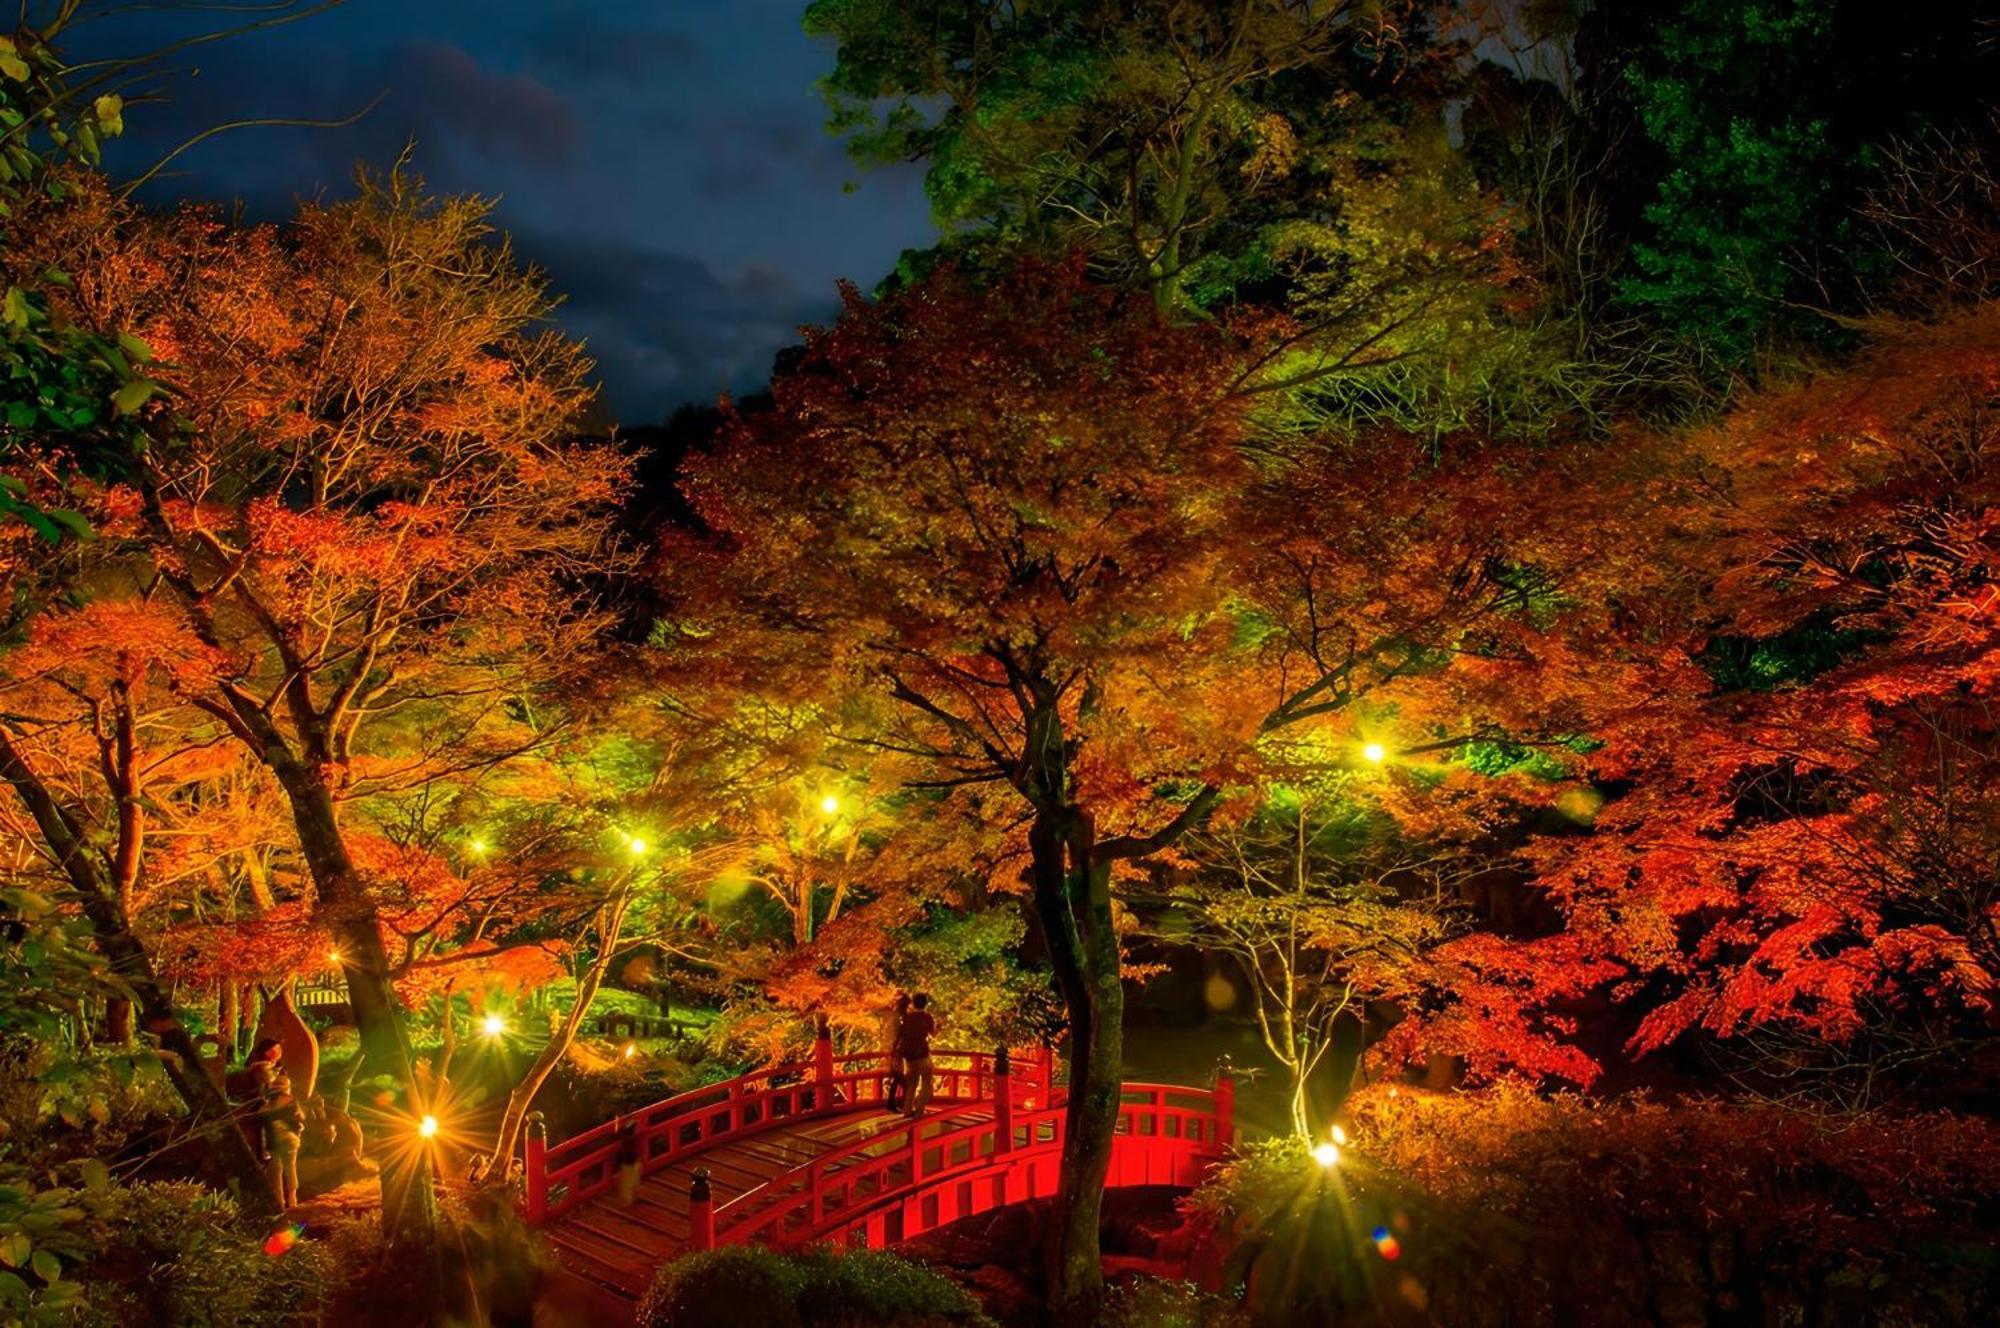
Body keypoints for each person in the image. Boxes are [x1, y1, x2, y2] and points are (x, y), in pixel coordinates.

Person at [247, 1039, 304, 1207]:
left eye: (279, 1049)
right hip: (269, 1116)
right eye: (275, 1049)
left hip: (281, 1121)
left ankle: (289, 1197)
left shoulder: (280, 1073)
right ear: (266, 1051)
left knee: (283, 1166)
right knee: (278, 1166)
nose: (278, 1051)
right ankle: (282, 1198)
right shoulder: (261, 1067)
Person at [898, 993, 937, 1119]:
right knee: (927, 1083)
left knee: (912, 1083)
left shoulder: (907, 1018)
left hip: (909, 1055)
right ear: (926, 1004)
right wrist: (939, 1027)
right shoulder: (927, 1017)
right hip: (922, 1053)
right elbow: (933, 1034)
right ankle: (919, 1110)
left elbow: (901, 1034)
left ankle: (907, 1110)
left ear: (913, 1004)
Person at [883, 992, 911, 1112]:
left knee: (898, 1077)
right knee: (901, 1079)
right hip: (901, 1050)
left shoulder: (896, 1016)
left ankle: (894, 1103)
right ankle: (903, 1104)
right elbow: (901, 1034)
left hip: (895, 1049)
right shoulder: (903, 1017)